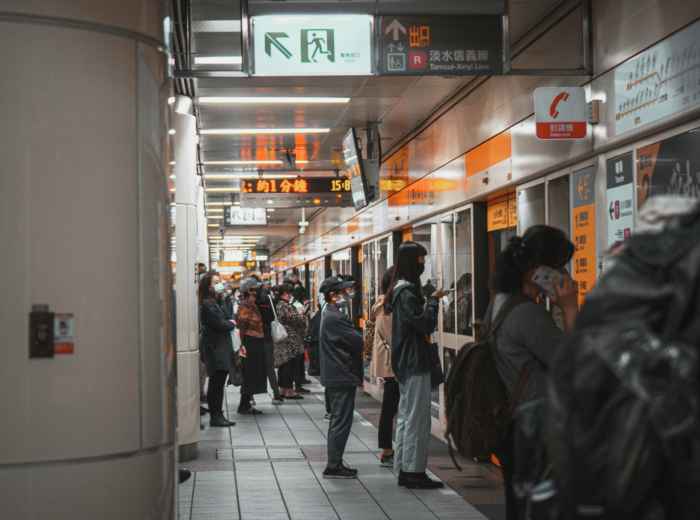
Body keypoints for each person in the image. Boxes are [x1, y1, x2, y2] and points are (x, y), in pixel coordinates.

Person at [487, 225, 578, 520]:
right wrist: (569, 307)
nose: (564, 275)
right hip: (536, 430)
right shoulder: (528, 314)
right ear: (538, 271)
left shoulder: (500, 302)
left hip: (513, 425)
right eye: (559, 267)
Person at [385, 241, 447, 489]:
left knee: (407, 416)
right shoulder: (407, 293)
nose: (423, 264)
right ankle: (413, 472)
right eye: (421, 260)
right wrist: (432, 302)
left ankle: (404, 467)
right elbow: (424, 324)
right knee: (417, 418)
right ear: (412, 262)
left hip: (406, 362)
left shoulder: (400, 290)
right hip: (414, 361)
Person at [319, 276, 363, 479]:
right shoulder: (335, 318)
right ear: (333, 295)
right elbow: (357, 341)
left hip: (336, 373)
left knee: (339, 419)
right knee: (341, 420)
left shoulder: (329, 313)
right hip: (340, 374)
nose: (347, 295)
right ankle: (334, 465)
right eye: (344, 292)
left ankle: (335, 463)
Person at [370, 266, 399, 468]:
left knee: (390, 406)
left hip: (390, 362)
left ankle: (387, 447)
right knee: (390, 407)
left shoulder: (383, 305)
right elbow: (391, 336)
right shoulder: (386, 307)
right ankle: (387, 449)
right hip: (393, 363)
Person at [198, 272, 236, 427]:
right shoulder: (207, 304)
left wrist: (225, 298)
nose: (219, 284)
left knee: (219, 382)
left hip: (220, 347)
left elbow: (227, 315)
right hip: (215, 348)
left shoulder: (216, 302)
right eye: (216, 282)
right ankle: (216, 416)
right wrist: (231, 324)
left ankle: (218, 414)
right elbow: (221, 323)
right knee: (216, 383)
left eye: (220, 282)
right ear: (208, 286)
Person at [235, 277, 269, 415]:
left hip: (256, 342)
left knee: (254, 373)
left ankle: (246, 403)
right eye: (255, 290)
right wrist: (241, 346)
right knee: (249, 373)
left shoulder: (254, 304)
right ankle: (243, 405)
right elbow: (242, 326)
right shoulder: (244, 306)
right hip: (249, 343)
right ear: (249, 291)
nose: (258, 293)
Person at [252, 275, 284, 404]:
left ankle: (250, 397)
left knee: (253, 368)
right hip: (267, 337)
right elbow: (272, 317)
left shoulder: (252, 303)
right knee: (270, 366)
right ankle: (276, 394)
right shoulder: (269, 299)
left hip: (254, 338)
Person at [274, 284, 307, 400]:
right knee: (289, 365)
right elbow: (293, 318)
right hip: (289, 340)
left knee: (284, 365)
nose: (290, 295)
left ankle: (283, 389)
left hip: (285, 339)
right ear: (285, 293)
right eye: (288, 293)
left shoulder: (279, 304)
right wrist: (302, 315)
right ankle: (288, 391)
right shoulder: (284, 305)